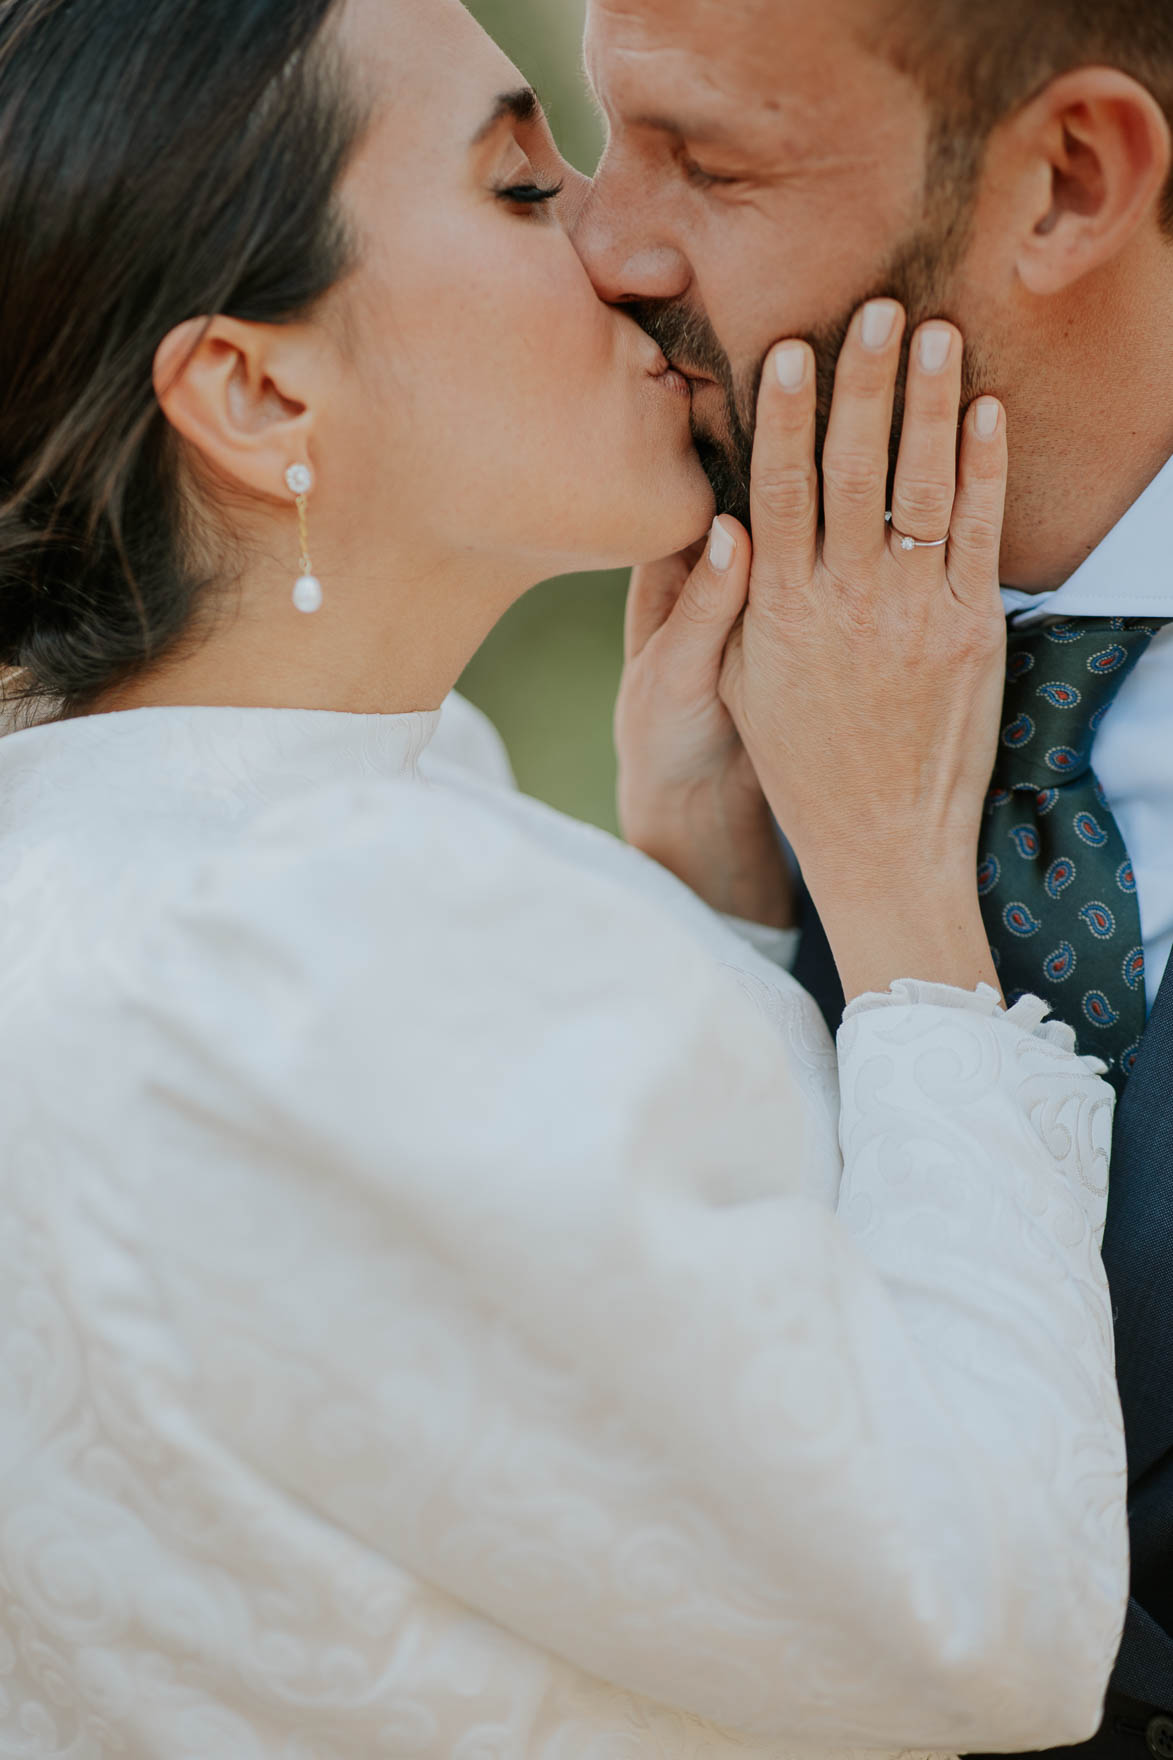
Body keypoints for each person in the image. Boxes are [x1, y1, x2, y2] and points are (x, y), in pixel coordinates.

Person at [0, 0, 1126, 1754]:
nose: (611, 243)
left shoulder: (153, 856)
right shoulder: (326, 941)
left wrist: (704, 904)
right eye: (524, 186)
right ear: (255, 387)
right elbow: (990, 1610)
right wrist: (901, 913)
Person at [575, 2, 1173, 1755]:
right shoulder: (725, 727)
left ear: (1067, 181)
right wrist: (712, 913)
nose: (607, 244)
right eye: (604, 137)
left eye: (709, 159)